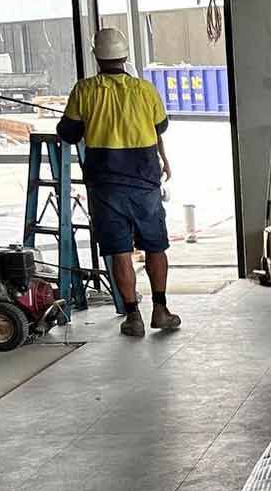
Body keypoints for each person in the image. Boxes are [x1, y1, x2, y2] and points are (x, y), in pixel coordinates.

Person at [57, 27, 180, 337]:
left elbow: (68, 133)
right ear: (125, 57)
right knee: (155, 246)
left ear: (97, 57)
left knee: (119, 251)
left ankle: (133, 316)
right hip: (145, 184)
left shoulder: (84, 91)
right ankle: (161, 310)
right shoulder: (145, 90)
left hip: (106, 186)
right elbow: (161, 126)